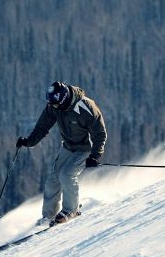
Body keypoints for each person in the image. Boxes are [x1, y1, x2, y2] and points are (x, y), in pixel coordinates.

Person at [17, 81, 107, 225]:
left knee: (67, 175)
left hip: (85, 149)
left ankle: (71, 210)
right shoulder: (54, 106)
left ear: (64, 98)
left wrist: (95, 155)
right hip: (68, 147)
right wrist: (29, 142)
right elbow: (42, 126)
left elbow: (100, 133)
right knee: (53, 179)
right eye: (52, 104)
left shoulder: (85, 106)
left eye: (57, 104)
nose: (54, 107)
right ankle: (48, 216)